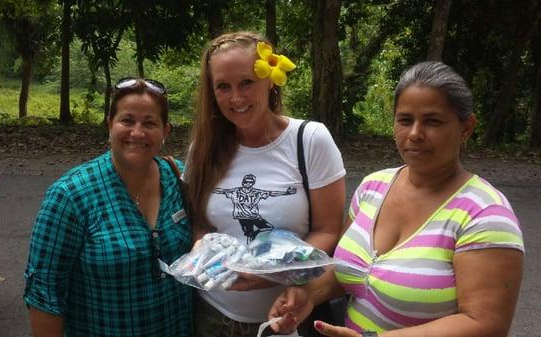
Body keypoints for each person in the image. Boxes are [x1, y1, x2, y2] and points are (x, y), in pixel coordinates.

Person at [268, 61, 525, 337]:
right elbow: (350, 270)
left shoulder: (485, 215)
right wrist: (307, 295)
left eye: (433, 121)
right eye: (405, 120)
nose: (415, 134)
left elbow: (485, 324)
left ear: (467, 128)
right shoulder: (373, 187)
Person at [184, 31, 347, 337]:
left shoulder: (310, 140)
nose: (236, 98)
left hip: (287, 315)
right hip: (213, 316)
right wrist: (200, 250)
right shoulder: (204, 148)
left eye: (247, 82)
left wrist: (267, 275)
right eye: (223, 86)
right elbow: (201, 225)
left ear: (270, 79)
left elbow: (327, 231)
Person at [23, 78, 193, 337]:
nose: (137, 132)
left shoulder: (178, 177)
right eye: (127, 121)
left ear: (165, 131)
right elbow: (44, 293)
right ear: (109, 124)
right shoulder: (70, 195)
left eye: (149, 123)